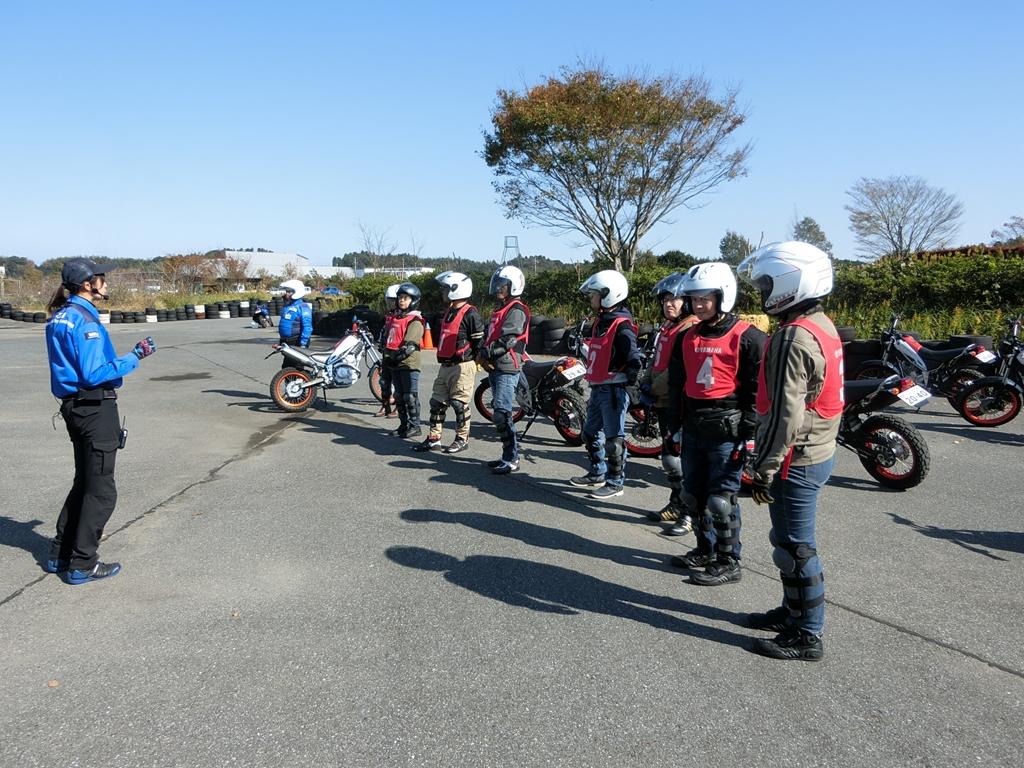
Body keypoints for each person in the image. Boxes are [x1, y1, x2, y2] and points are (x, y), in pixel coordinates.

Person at [738, 241, 842, 661]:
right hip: (816, 451)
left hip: (795, 459)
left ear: (789, 282)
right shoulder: (821, 324)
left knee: (796, 547)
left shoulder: (793, 337)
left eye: (766, 282)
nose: (762, 290)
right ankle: (793, 612)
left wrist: (763, 466)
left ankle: (808, 634)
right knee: (787, 542)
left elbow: (785, 414)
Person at [44, 258, 156, 585]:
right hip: (94, 409)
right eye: (101, 278)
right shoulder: (85, 322)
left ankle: (60, 553)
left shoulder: (60, 317)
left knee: (85, 482)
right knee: (102, 491)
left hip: (73, 408)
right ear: (87, 284)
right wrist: (134, 356)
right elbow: (95, 373)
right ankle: (82, 563)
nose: (106, 283)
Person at [663, 262, 765, 588]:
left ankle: (728, 560)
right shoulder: (687, 337)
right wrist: (673, 427)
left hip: (728, 431)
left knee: (722, 501)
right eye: (694, 299)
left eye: (706, 298)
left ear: (724, 296)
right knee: (693, 496)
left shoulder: (749, 338)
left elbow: (757, 393)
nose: (698, 305)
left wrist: (749, 436)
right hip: (694, 426)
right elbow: (678, 383)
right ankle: (704, 550)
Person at [569, 270, 642, 500]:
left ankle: (615, 482)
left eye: (595, 295)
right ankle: (597, 472)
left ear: (609, 295)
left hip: (614, 391)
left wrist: (629, 383)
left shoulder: (622, 326)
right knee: (590, 433)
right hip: (598, 388)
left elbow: (634, 359)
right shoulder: (601, 322)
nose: (592, 299)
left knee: (614, 440)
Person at [641, 273, 699, 523]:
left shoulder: (690, 329)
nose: (668, 304)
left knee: (682, 461)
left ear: (687, 301)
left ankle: (688, 514)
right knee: (669, 458)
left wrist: (653, 388)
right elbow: (657, 361)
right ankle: (677, 504)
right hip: (664, 403)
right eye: (665, 300)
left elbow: (677, 371)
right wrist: (644, 383)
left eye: (674, 299)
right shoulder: (668, 327)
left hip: (682, 405)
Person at [414, 272, 484, 454]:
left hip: (463, 366)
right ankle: (434, 438)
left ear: (456, 289)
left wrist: (476, 362)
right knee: (436, 402)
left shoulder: (471, 314)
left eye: (445, 288)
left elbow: (479, 343)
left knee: (459, 404)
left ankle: (462, 438)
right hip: (445, 366)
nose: (442, 291)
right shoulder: (449, 311)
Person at [477, 265, 530, 475]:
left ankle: (512, 458)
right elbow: (488, 336)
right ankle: (507, 455)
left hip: (507, 367)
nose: (498, 288)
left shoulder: (516, 310)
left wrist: (486, 354)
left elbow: (508, 340)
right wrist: (482, 353)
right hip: (496, 366)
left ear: (513, 286)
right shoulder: (501, 309)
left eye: (502, 285)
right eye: (497, 284)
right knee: (500, 412)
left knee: (501, 413)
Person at [383, 282, 425, 438]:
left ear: (413, 300)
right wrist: (387, 358)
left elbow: (410, 346)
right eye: (400, 297)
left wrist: (396, 358)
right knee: (399, 396)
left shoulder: (415, 320)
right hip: (394, 363)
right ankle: (403, 424)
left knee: (410, 396)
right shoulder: (395, 318)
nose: (402, 301)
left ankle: (415, 426)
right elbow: (388, 339)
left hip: (408, 363)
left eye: (406, 298)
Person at [374, 283, 401, 419]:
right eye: (389, 301)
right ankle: (385, 406)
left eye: (393, 301)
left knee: (398, 384)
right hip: (386, 353)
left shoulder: (403, 316)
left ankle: (398, 408)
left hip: (397, 354)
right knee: (384, 382)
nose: (390, 304)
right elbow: (384, 332)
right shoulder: (388, 316)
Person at [277, 279, 313, 368]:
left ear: (297, 292)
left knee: (296, 366)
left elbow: (307, 327)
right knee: (286, 367)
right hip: (286, 341)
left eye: (289, 292)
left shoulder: (303, 307)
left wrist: (303, 344)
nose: (286, 294)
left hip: (297, 341)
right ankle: (290, 381)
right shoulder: (288, 306)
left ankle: (301, 381)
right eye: (286, 291)